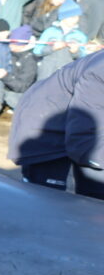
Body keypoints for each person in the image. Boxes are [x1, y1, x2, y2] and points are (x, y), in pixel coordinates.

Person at [8, 48, 104, 200]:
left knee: (94, 195)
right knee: (45, 198)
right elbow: (82, 139)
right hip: (48, 122)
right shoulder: (99, 73)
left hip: (86, 122)